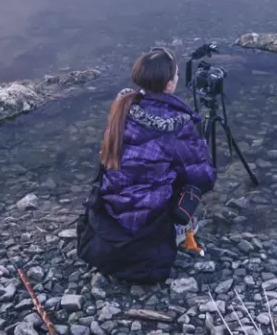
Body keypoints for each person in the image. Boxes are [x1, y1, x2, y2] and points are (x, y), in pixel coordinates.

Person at [76, 47, 217, 283]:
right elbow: (204, 178)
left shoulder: (122, 108)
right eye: (176, 75)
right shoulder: (177, 124)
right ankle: (185, 236)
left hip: (110, 212)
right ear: (170, 84)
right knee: (191, 183)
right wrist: (200, 143)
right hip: (148, 223)